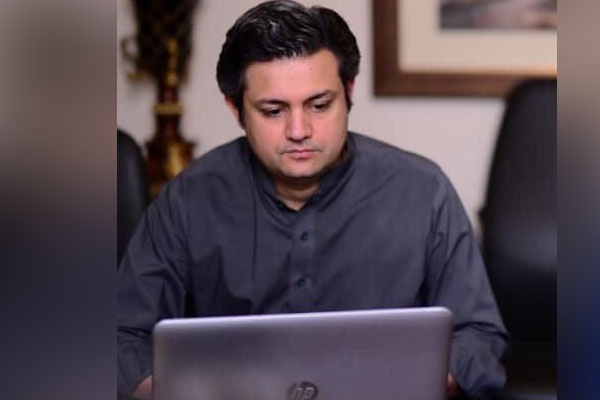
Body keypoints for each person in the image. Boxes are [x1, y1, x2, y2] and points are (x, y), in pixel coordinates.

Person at [117, 1, 508, 398]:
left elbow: (479, 337)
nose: (299, 130)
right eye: (273, 110)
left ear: (348, 92)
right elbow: (122, 339)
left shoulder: (423, 191)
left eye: (319, 105)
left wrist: (402, 383)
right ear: (236, 109)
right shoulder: (188, 199)